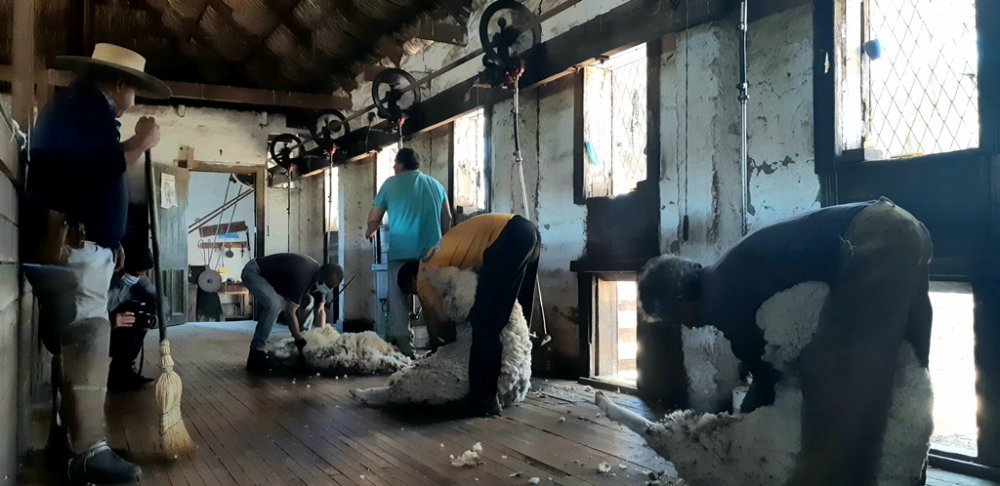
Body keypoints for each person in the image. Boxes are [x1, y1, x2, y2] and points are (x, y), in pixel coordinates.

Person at [636, 197, 932, 486]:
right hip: (899, 227)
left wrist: (731, 435)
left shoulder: (721, 299)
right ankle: (907, 477)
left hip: (874, 238)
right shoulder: (724, 275)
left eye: (676, 319)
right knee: (906, 371)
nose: (685, 326)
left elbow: (769, 380)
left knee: (834, 388)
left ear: (679, 301)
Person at [24, 43, 168, 484]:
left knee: (74, 339)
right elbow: (98, 170)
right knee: (89, 334)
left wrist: (113, 239)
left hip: (83, 240)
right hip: (74, 243)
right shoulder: (84, 109)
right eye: (135, 89)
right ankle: (87, 451)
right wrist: (141, 143)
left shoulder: (82, 110)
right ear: (120, 84)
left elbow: (86, 176)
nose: (135, 99)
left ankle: (67, 441)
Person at [400, 213, 540, 416]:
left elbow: (439, 322)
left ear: (412, 280)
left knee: (485, 323)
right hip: (527, 231)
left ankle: (484, 400)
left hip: (507, 238)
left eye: (413, 292)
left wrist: (445, 344)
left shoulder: (424, 274)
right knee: (515, 319)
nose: (417, 294)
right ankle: (515, 382)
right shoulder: (440, 254)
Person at [366, 148, 451, 356]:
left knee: (398, 303)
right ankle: (439, 347)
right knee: (432, 301)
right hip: (432, 255)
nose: (394, 167)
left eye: (395, 163)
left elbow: (374, 217)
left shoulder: (390, 184)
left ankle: (406, 351)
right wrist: (443, 246)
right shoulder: (435, 185)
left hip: (401, 254)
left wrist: (370, 231)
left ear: (400, 164)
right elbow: (447, 218)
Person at [242, 253, 343, 372]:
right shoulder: (302, 276)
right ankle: (256, 353)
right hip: (254, 272)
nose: (329, 289)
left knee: (307, 300)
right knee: (273, 305)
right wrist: (298, 339)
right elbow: (290, 313)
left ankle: (304, 340)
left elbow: (320, 310)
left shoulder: (322, 280)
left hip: (276, 282)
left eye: (332, 287)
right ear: (320, 277)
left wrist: (321, 337)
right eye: (329, 285)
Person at [106, 248, 161, 391]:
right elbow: (84, 310)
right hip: (97, 327)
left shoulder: (138, 280)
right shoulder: (102, 277)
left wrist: (152, 320)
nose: (137, 278)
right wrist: (110, 321)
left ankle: (124, 371)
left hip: (119, 328)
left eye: (141, 275)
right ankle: (109, 373)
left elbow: (162, 303)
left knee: (139, 320)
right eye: (135, 274)